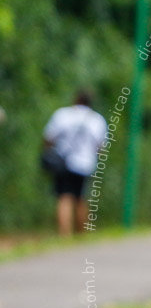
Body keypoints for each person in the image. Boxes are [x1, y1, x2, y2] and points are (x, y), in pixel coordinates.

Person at [41, 90, 107, 236]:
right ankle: (81, 236)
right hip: (85, 164)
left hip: (64, 162)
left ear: (76, 99)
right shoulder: (97, 120)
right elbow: (101, 147)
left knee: (64, 197)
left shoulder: (63, 115)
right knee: (80, 198)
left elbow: (48, 138)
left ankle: (64, 235)